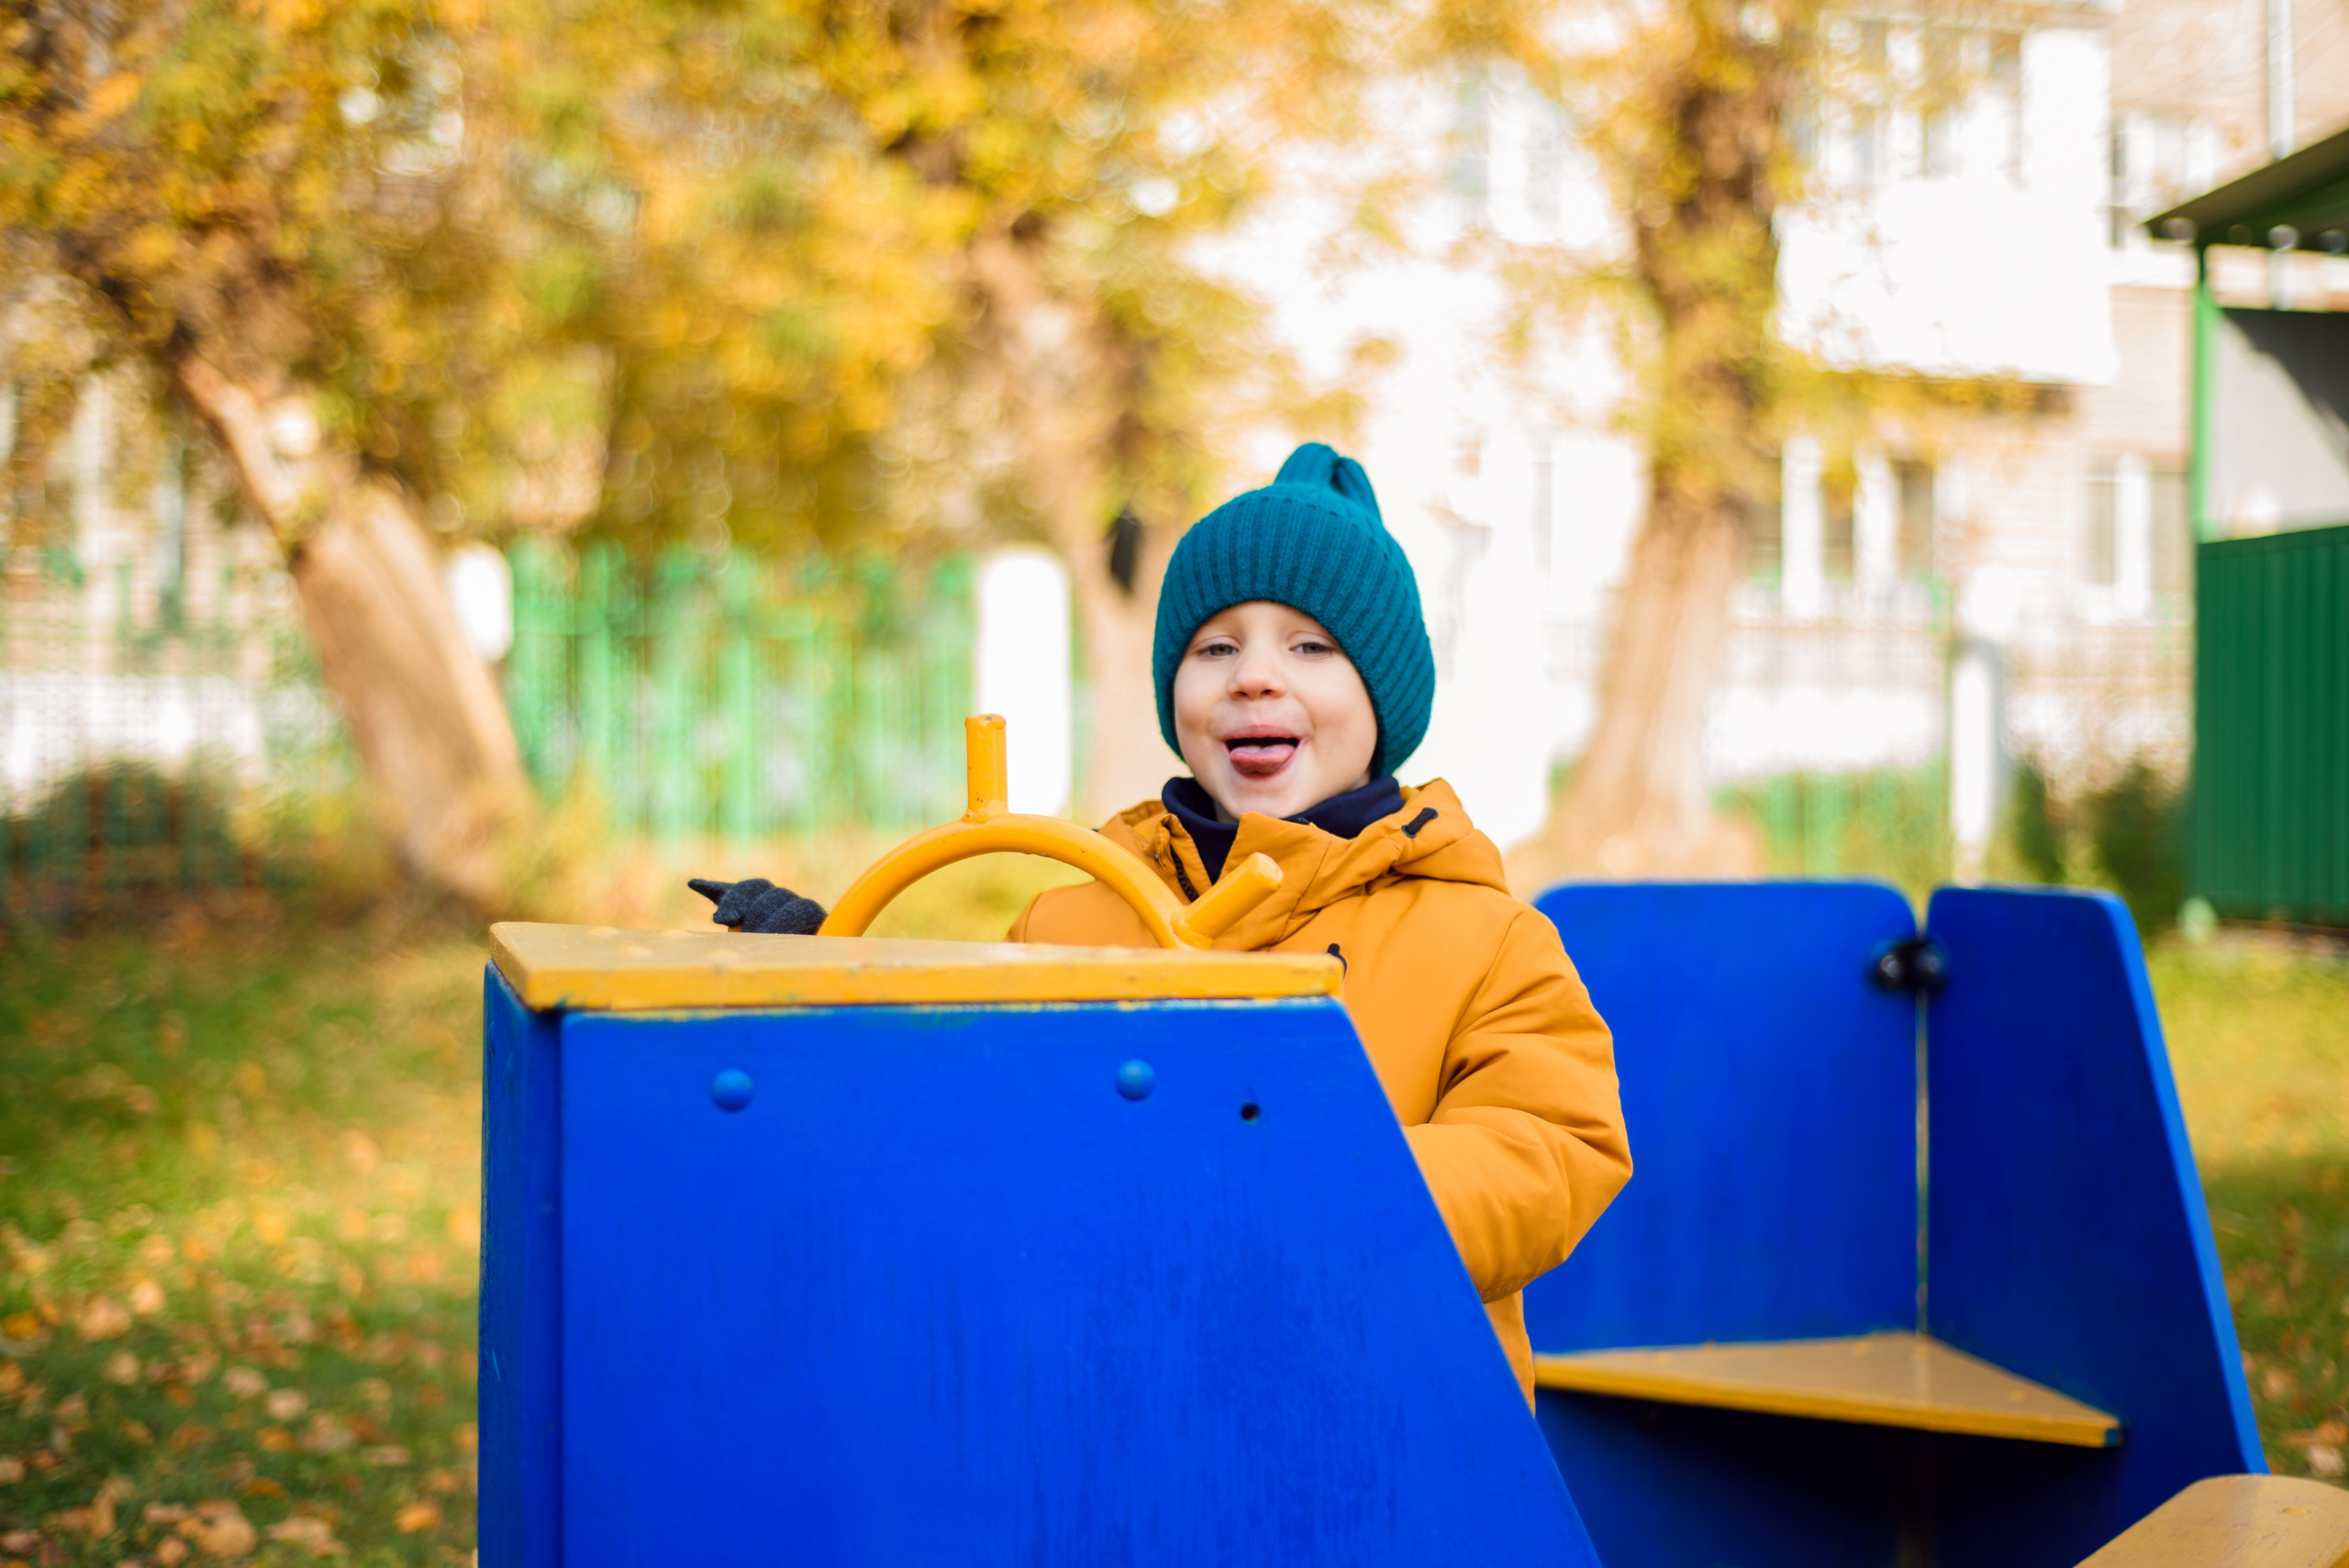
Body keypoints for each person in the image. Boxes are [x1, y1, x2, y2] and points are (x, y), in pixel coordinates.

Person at [694, 441, 1631, 1408]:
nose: (1254, 677)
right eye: (1214, 646)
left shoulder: (1481, 933)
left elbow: (1554, 1144)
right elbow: (958, 1086)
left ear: (1383, 699)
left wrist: (1290, 1176)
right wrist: (836, 978)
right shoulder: (1074, 914)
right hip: (1115, 1404)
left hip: (1374, 1415)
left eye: (1311, 646)